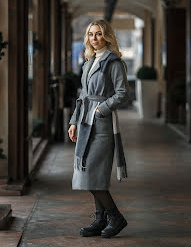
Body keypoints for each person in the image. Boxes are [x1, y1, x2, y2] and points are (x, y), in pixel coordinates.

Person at [68, 19, 130, 239]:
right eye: (91, 34)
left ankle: (115, 217)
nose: (94, 39)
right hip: (85, 123)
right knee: (90, 172)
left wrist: (100, 110)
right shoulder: (89, 61)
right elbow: (82, 96)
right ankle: (100, 218)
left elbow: (122, 93)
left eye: (99, 34)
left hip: (102, 124)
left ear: (107, 36)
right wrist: (74, 121)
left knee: (93, 173)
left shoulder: (113, 62)